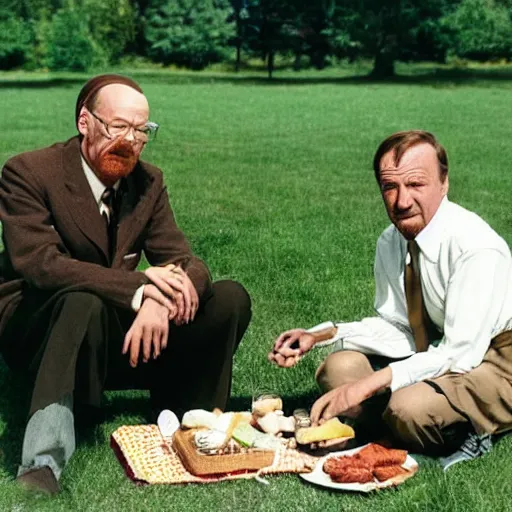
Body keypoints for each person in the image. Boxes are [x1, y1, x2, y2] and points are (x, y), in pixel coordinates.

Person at [0, 74, 251, 494]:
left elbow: (184, 261)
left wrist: (156, 301)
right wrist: (138, 289)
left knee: (228, 297)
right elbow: (42, 265)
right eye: (118, 127)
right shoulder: (28, 172)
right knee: (81, 299)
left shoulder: (147, 182)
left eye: (141, 130)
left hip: (119, 333)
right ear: (85, 121)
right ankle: (42, 462)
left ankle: (190, 427)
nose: (129, 140)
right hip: (39, 331)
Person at [269, 130, 512, 468]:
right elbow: (398, 325)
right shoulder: (391, 241)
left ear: (444, 183)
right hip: (438, 349)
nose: (401, 201)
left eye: (416, 185)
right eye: (390, 187)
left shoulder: (476, 248)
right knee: (338, 370)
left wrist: (372, 383)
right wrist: (322, 334)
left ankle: (471, 433)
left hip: (494, 358)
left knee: (407, 409)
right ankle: (402, 419)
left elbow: (460, 354)